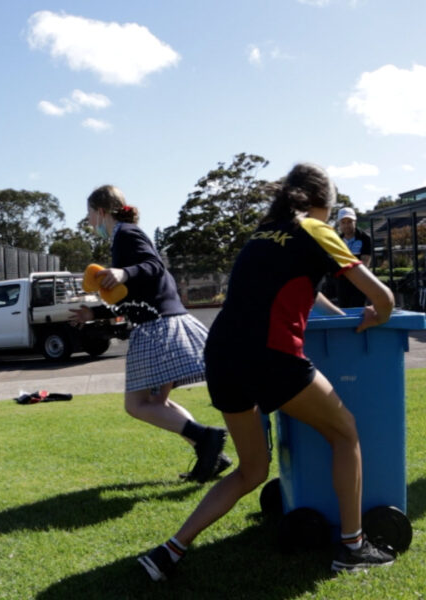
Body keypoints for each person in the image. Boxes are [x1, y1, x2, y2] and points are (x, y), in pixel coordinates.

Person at [138, 163, 395, 580]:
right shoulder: (315, 229)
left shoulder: (260, 234)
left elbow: (297, 294)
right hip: (270, 356)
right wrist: (376, 315)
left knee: (252, 470)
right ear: (323, 203)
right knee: (345, 432)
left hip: (220, 355)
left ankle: (169, 551)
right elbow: (382, 297)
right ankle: (353, 546)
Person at [69, 185, 230, 483]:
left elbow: (154, 266)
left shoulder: (127, 234)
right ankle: (211, 455)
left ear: (101, 211)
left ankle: (207, 438)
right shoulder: (123, 237)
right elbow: (132, 298)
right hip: (162, 323)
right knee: (157, 404)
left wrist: (123, 273)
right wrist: (95, 313)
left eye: (90, 214)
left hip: (158, 328)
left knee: (137, 405)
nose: (90, 222)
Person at [336, 207, 372, 308]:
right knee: (343, 310)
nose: (346, 225)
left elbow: (365, 262)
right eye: (343, 222)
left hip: (361, 282)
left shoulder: (365, 238)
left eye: (349, 221)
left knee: (358, 309)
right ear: (339, 224)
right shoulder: (337, 240)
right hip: (342, 282)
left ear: (355, 221)